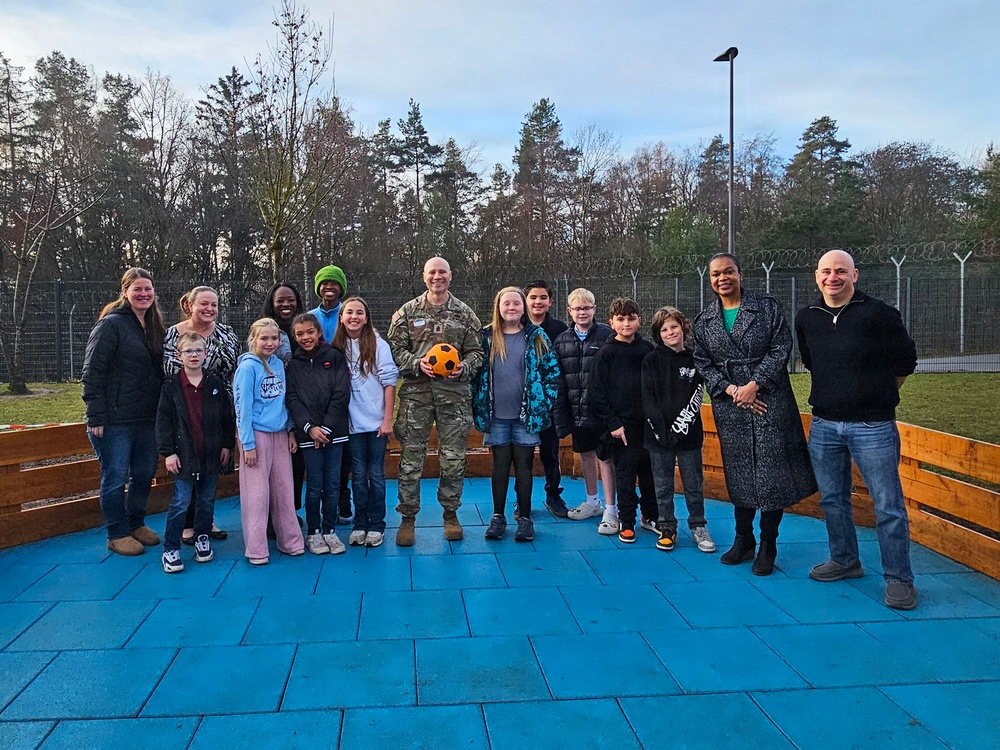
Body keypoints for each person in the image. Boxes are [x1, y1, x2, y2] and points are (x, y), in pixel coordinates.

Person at [796, 249, 919, 610]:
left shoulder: (879, 314)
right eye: (826, 272)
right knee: (833, 498)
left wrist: (875, 395)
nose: (832, 277)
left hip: (874, 426)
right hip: (824, 424)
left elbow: (905, 361)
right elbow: (811, 361)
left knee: (888, 505)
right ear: (817, 276)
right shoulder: (808, 317)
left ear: (855, 275)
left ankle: (899, 579)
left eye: (840, 271)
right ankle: (845, 560)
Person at [692, 252, 817, 576]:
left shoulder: (766, 308)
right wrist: (733, 390)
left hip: (769, 399)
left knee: (771, 475)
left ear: (740, 274)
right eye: (716, 274)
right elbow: (702, 363)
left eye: (729, 272)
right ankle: (743, 539)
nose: (723, 279)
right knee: (741, 470)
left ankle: (768, 544)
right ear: (711, 280)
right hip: (730, 405)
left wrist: (754, 385)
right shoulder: (704, 320)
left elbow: (780, 348)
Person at [386, 256, 484, 546]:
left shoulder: (465, 315)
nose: (437, 277)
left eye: (442, 272)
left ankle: (450, 514)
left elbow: (476, 353)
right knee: (411, 459)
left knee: (453, 460)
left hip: (453, 398)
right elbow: (395, 348)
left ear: (450, 276)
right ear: (424, 276)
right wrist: (417, 363)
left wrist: (463, 368)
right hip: (417, 396)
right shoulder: (406, 312)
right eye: (432, 272)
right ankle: (407, 518)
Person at [82, 267, 165, 556]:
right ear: (125, 292)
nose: (143, 294)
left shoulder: (154, 326)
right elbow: (93, 371)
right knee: (115, 476)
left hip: (146, 417)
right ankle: (116, 532)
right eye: (137, 289)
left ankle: (136, 523)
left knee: (144, 474)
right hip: (115, 419)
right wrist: (96, 415)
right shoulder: (111, 325)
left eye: (148, 289)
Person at [473, 287, 560, 542]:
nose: (511, 307)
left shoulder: (536, 336)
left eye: (516, 303)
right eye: (506, 303)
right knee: (499, 466)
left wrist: (544, 403)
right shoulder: (486, 337)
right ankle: (498, 517)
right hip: (496, 416)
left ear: (523, 308)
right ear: (498, 307)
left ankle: (524, 518)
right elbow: (476, 375)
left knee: (524, 466)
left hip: (526, 417)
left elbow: (551, 373)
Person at [163, 285, 241, 543]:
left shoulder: (226, 334)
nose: (209, 309)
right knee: (188, 463)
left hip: (219, 406)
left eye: (214, 305)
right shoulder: (172, 336)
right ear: (190, 306)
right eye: (203, 304)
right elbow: (165, 370)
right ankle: (186, 524)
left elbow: (235, 368)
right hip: (184, 407)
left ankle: (206, 523)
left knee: (210, 466)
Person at [156, 331, 235, 573]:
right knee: (181, 501)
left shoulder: (214, 383)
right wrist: (168, 453)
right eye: (188, 351)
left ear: (206, 354)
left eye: (198, 351)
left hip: (210, 453)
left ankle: (202, 536)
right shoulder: (171, 385)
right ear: (179, 355)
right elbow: (164, 421)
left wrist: (226, 445)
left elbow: (226, 417)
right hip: (184, 455)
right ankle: (171, 548)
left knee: (206, 499)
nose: (193, 355)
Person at [642, 306, 715, 553]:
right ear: (658, 334)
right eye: (664, 329)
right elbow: (648, 398)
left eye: (674, 326)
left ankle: (698, 526)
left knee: (694, 483)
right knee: (662, 485)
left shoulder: (696, 359)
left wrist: (680, 429)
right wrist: (662, 432)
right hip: (658, 437)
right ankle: (667, 527)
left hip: (689, 435)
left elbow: (698, 395)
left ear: (683, 328)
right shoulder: (651, 360)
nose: (670, 332)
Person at [233, 318, 305, 565]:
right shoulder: (247, 368)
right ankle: (256, 549)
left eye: (274, 338)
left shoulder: (278, 365)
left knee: (285, 491)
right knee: (257, 495)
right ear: (253, 339)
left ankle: (291, 541)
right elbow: (242, 408)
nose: (270, 343)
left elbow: (282, 401)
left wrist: (291, 430)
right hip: (256, 436)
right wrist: (248, 444)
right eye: (264, 338)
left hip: (280, 435)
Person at [331, 297, 399, 548]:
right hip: (351, 426)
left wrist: (387, 419)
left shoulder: (378, 344)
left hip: (376, 425)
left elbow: (390, 382)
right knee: (358, 476)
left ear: (367, 318)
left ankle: (377, 525)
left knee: (376, 475)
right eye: (349, 312)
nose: (354, 317)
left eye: (360, 312)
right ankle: (360, 524)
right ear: (341, 317)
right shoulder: (335, 347)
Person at [591, 298, 658, 543]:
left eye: (631, 318)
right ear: (611, 323)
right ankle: (627, 521)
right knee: (626, 476)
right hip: (622, 429)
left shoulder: (648, 350)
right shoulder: (606, 354)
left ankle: (650, 517)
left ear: (639, 320)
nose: (626, 323)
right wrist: (614, 424)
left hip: (648, 427)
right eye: (620, 319)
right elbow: (596, 393)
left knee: (649, 474)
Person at [286, 312, 351, 556]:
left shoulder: (334, 357)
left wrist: (326, 427)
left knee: (333, 484)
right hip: (308, 437)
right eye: (300, 334)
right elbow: (292, 398)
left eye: (310, 332)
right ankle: (313, 532)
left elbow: (342, 393)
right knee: (314, 485)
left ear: (319, 332)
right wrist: (310, 428)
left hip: (335, 434)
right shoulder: (292, 365)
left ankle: (330, 530)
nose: (306, 338)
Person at [552, 288, 617, 530]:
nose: (582, 312)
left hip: (603, 413)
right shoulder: (561, 341)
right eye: (577, 308)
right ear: (569, 311)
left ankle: (611, 510)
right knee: (587, 455)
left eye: (587, 308)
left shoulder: (608, 336)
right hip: (577, 413)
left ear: (594, 309)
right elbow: (558, 381)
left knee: (606, 458)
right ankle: (593, 501)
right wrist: (562, 415)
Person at [309, 265, 353, 524]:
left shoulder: (348, 313)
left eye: (334, 284)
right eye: (324, 283)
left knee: (343, 449)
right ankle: (324, 501)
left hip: (343, 386)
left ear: (341, 288)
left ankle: (342, 496)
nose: (329, 288)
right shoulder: (310, 316)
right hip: (316, 391)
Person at [523, 280, 569, 518]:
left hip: (549, 402)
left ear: (550, 301)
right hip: (522, 403)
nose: (537, 302)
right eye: (533, 297)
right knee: (523, 454)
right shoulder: (516, 325)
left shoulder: (560, 328)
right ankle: (523, 500)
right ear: (525, 300)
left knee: (550, 450)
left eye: (542, 297)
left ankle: (553, 494)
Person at [262, 281, 308, 520]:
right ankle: (271, 515)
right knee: (272, 468)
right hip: (273, 410)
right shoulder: (265, 331)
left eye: (290, 299)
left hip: (299, 406)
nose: (286, 304)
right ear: (272, 303)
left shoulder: (304, 329)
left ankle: (290, 510)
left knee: (296, 463)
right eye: (280, 300)